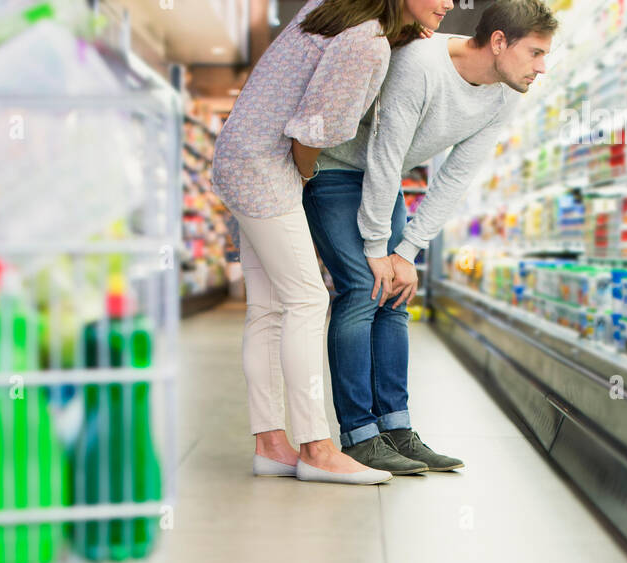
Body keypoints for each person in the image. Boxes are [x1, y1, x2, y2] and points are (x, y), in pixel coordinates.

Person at [303, 0, 558, 475]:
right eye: (536, 53)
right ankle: (359, 435)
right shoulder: (421, 65)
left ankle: (396, 429)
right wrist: (379, 249)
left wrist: (407, 252)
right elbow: (384, 151)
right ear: (499, 42)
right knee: (363, 289)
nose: (542, 67)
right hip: (336, 169)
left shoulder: (504, 94)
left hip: (386, 180)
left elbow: (454, 178)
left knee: (396, 293)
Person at [211, 0, 437, 485]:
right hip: (266, 168)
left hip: (240, 153)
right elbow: (310, 135)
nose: (447, 3)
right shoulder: (368, 42)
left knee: (269, 306)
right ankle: (316, 448)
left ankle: (272, 446)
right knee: (307, 299)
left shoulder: (334, 10)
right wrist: (308, 175)